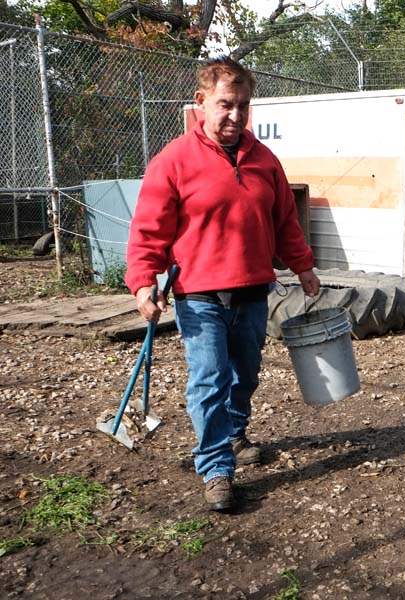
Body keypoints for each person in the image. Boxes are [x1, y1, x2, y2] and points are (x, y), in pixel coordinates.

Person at [125, 57, 320, 511]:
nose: (235, 116)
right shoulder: (173, 161)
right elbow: (148, 230)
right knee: (209, 378)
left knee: (244, 374)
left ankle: (233, 434)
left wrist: (303, 266)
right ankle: (215, 467)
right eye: (225, 105)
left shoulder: (264, 160)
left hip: (253, 290)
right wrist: (141, 285)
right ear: (201, 103)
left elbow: (285, 221)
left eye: (244, 106)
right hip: (199, 294)